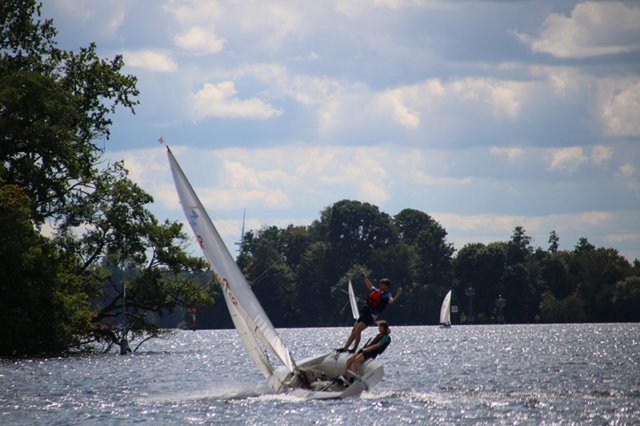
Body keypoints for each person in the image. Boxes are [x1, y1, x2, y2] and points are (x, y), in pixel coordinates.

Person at [337, 273, 402, 353]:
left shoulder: (387, 295)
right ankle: (345, 348)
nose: (380, 286)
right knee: (354, 329)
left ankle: (354, 349)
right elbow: (370, 285)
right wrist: (364, 277)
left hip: (372, 315)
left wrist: (398, 294)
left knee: (358, 330)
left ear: (386, 286)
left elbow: (392, 302)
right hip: (366, 312)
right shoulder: (377, 291)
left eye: (381, 285)